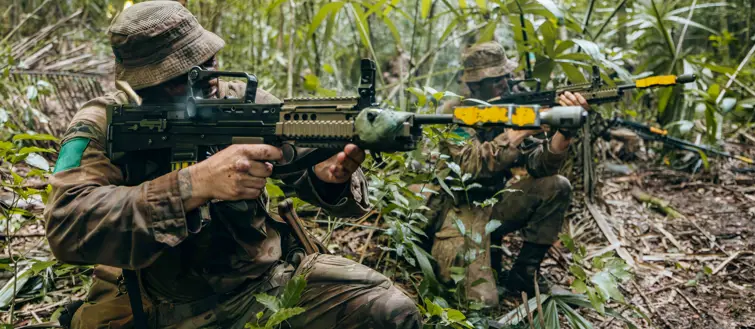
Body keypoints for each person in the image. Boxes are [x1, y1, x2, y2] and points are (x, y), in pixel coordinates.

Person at [43, 1, 421, 328]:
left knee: (392, 312)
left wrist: (327, 177)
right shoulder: (102, 124)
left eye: (208, 60)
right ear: (143, 83)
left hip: (260, 285)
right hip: (156, 306)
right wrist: (192, 184)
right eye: (185, 73)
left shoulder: (244, 103)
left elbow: (308, 166)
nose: (208, 76)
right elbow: (67, 224)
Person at [426, 41, 590, 307]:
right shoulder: (454, 112)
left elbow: (541, 168)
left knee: (556, 186)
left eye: (507, 76)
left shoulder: (512, 105)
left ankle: (524, 274)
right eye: (496, 79)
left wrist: (564, 128)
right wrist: (521, 129)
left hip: (496, 204)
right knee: (483, 303)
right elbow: (469, 166)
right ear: (475, 85)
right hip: (458, 210)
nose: (507, 83)